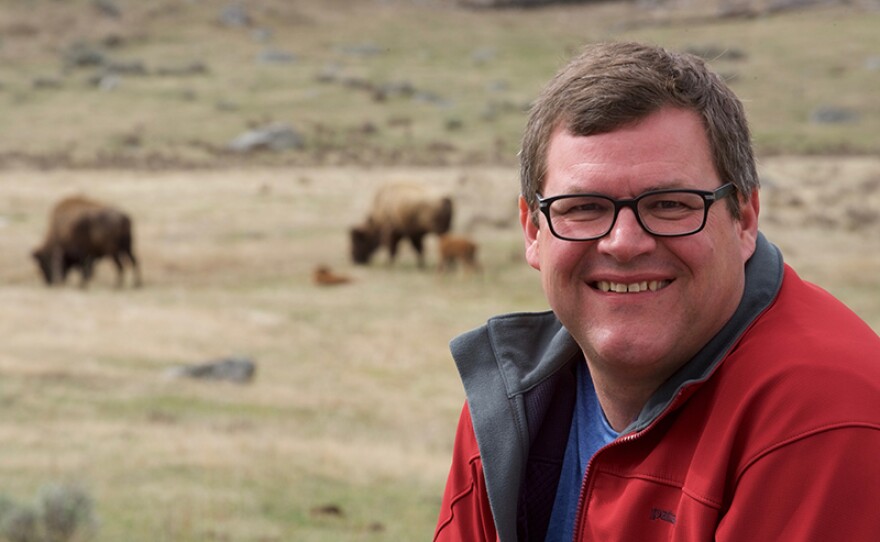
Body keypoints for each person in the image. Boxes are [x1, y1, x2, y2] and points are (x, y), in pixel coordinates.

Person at [433, 41, 880, 542]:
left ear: (745, 219)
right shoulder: (512, 403)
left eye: (670, 204)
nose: (623, 243)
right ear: (533, 230)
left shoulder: (825, 419)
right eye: (582, 207)